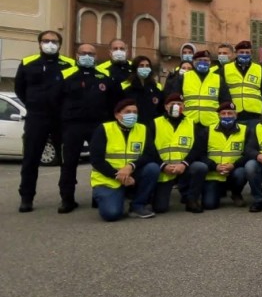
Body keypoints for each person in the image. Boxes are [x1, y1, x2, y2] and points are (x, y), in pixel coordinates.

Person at [57, 43, 122, 213]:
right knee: (69, 164)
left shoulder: (105, 75)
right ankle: (67, 199)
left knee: (99, 161)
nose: (87, 56)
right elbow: (55, 101)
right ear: (77, 55)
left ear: (96, 57)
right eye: (84, 53)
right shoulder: (65, 74)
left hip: (98, 125)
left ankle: (98, 196)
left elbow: (115, 100)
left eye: (91, 54)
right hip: (73, 125)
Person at [14, 30, 75, 212]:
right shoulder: (27, 63)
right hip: (36, 118)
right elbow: (19, 90)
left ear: (60, 45)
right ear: (39, 43)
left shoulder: (69, 64)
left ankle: (67, 198)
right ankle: (26, 198)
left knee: (66, 160)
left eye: (54, 41)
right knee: (31, 159)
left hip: (61, 118)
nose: (50, 44)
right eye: (46, 41)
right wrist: (34, 105)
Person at [89, 99, 160, 221]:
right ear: (117, 115)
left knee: (152, 168)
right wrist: (118, 175)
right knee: (112, 214)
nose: (132, 115)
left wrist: (130, 166)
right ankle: (113, 197)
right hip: (108, 178)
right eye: (127, 112)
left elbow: (150, 154)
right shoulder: (104, 129)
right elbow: (96, 160)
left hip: (132, 174)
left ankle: (137, 205)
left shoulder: (143, 129)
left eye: (135, 112)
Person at [151, 93, 208, 213]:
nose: (176, 106)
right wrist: (163, 166)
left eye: (179, 104)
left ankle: (191, 199)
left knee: (200, 167)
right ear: (166, 106)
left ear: (184, 107)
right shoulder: (155, 123)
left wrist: (184, 164)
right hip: (164, 168)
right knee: (160, 208)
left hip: (184, 166)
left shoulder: (192, 123)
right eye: (172, 104)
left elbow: (197, 148)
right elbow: (149, 149)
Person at [199, 102, 249, 210]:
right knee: (209, 205)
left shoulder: (245, 130)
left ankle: (236, 193)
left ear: (236, 115)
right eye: (223, 113)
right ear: (218, 115)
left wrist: (234, 165)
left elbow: (248, 154)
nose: (226, 116)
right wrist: (214, 166)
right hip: (213, 173)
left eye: (230, 113)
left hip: (234, 171)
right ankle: (219, 191)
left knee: (242, 172)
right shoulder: (208, 130)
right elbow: (200, 154)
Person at [223, 40, 262, 126]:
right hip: (234, 113)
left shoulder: (259, 69)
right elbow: (223, 92)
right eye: (241, 52)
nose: (244, 54)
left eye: (247, 52)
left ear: (251, 53)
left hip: (254, 114)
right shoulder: (226, 69)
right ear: (236, 53)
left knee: (253, 138)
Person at [181, 50, 231, 127]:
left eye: (206, 60)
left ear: (210, 62)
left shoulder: (218, 79)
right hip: (189, 122)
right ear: (194, 62)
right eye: (200, 60)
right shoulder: (184, 77)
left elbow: (225, 101)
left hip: (212, 123)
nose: (203, 62)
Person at [121, 56, 165, 125]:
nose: (145, 68)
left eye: (147, 66)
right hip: (134, 125)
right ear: (135, 68)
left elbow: (161, 108)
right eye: (141, 66)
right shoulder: (125, 86)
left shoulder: (157, 87)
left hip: (152, 127)